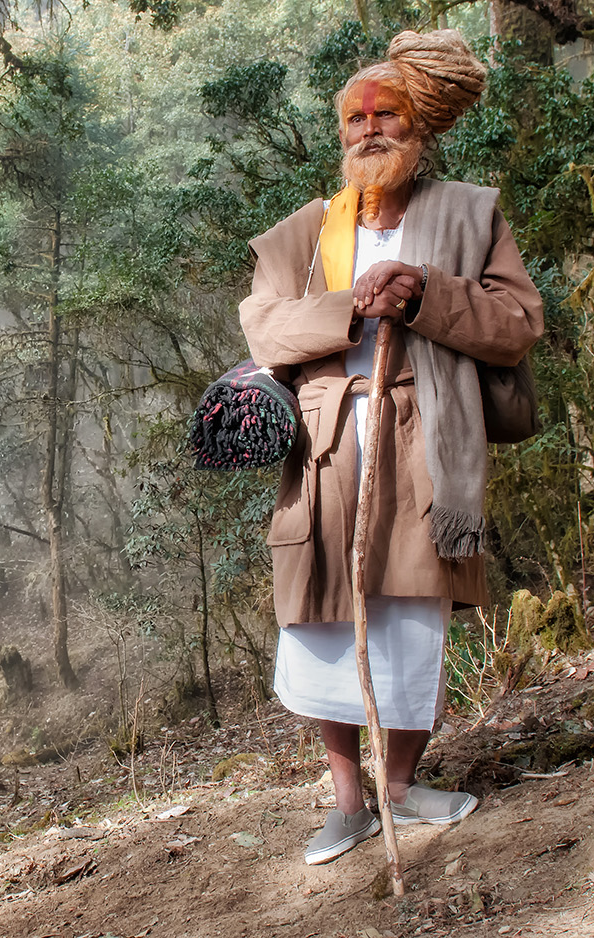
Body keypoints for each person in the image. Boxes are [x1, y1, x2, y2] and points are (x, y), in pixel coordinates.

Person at [238, 29, 543, 865]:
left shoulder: (471, 214)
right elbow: (263, 328)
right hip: (328, 445)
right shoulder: (306, 233)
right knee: (322, 616)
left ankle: (401, 786)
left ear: (422, 126)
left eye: (387, 115)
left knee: (412, 616)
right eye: (356, 118)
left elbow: (517, 323)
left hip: (424, 436)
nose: (369, 129)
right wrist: (349, 309)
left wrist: (422, 293)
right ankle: (349, 802)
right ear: (341, 132)